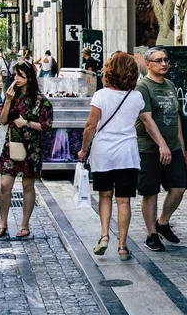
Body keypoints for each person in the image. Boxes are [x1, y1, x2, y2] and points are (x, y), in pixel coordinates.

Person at [78, 52, 145, 261]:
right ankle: (123, 246)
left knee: (105, 196)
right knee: (123, 201)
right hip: (127, 153)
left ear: (109, 71)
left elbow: (90, 126)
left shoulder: (101, 95)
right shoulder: (137, 97)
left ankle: (104, 235)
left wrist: (83, 149)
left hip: (103, 152)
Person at [0, 61, 53, 239]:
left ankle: (24, 225)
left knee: (27, 185)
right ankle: (2, 223)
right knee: (5, 185)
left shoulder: (41, 100)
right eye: (15, 75)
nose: (16, 79)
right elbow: (2, 121)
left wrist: (26, 123)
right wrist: (8, 101)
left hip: (32, 148)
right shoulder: (12, 96)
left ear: (29, 78)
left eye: (21, 76)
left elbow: (47, 125)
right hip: (12, 146)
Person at [135, 47, 187, 252]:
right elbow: (146, 120)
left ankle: (162, 223)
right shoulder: (142, 88)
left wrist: (180, 145)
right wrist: (161, 145)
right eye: (158, 61)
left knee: (179, 188)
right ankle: (151, 234)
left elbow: (175, 117)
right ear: (148, 64)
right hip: (149, 149)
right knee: (150, 192)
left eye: (166, 60)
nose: (164, 64)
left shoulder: (170, 85)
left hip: (172, 148)